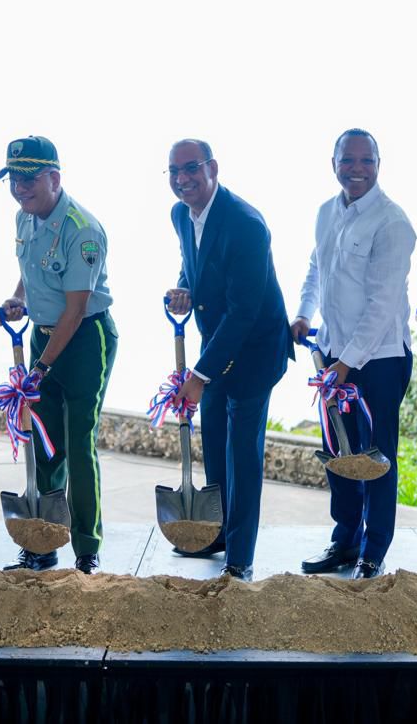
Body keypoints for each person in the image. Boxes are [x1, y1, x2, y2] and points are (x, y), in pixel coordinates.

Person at [164, 138, 294, 582]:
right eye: (174, 171)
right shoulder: (181, 214)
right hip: (218, 347)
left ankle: (240, 556)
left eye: (191, 169)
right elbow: (195, 264)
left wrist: (199, 374)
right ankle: (217, 534)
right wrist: (183, 286)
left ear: (212, 168)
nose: (183, 180)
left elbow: (245, 311)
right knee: (215, 444)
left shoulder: (246, 224)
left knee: (242, 453)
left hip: (256, 349)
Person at [291, 129, 416, 580]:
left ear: (379, 163)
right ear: (334, 163)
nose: (357, 169)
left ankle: (373, 549)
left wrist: (347, 364)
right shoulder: (327, 212)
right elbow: (315, 267)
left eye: (366, 160)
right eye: (348, 160)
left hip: (378, 360)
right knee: (338, 452)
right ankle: (343, 540)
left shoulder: (393, 222)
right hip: (331, 356)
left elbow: (383, 305)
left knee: (377, 456)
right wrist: (304, 314)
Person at [0, 136, 117, 575]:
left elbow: (76, 308)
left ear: (55, 178)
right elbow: (32, 270)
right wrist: (17, 300)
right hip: (43, 338)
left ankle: (87, 549)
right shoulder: (25, 218)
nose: (19, 187)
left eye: (29, 179)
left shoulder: (81, 229)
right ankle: (43, 543)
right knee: (44, 444)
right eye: (13, 178)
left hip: (86, 340)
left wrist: (42, 367)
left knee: (78, 445)